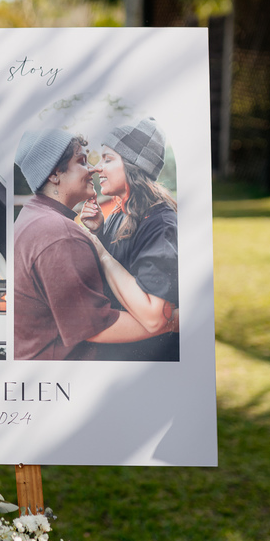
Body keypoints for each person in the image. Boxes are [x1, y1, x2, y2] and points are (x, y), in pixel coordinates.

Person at [12, 129, 172, 360]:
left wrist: (98, 234)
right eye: (81, 161)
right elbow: (95, 327)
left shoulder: (34, 216)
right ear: (55, 174)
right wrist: (173, 322)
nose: (92, 169)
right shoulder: (59, 234)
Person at [81, 118, 180, 362]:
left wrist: (101, 251)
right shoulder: (120, 214)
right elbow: (119, 279)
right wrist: (100, 233)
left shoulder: (159, 224)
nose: (97, 168)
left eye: (108, 159)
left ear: (134, 165)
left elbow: (155, 317)